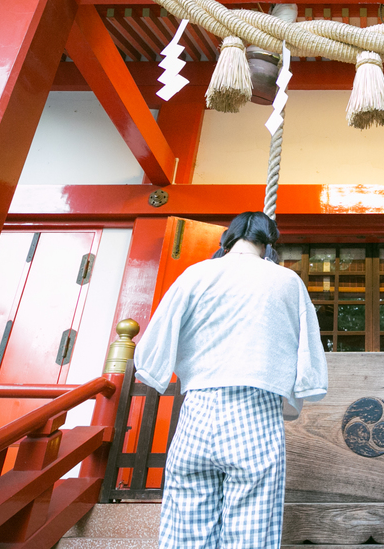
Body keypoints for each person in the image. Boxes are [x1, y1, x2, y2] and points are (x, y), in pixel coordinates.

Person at [133, 211, 328, 549]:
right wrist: (302, 392)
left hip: (198, 412)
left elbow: (156, 340)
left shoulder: (196, 274)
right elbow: (306, 346)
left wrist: (154, 370)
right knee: (250, 533)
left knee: (186, 532)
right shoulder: (286, 281)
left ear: (228, 239)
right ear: (267, 242)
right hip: (256, 413)